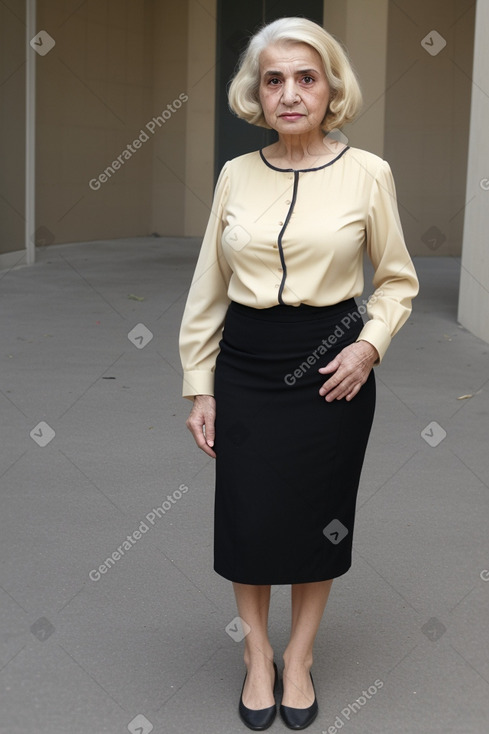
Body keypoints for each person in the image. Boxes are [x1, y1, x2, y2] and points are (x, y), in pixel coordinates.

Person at [179, 16, 418, 731]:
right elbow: (207, 287)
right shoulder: (235, 174)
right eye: (274, 79)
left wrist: (368, 346)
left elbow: (397, 281)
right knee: (248, 518)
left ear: (329, 88)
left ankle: (301, 657)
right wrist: (199, 383)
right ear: (256, 92)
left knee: (320, 521)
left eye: (305, 78)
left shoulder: (367, 173)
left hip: (331, 364)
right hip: (247, 362)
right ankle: (257, 654)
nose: (289, 93)